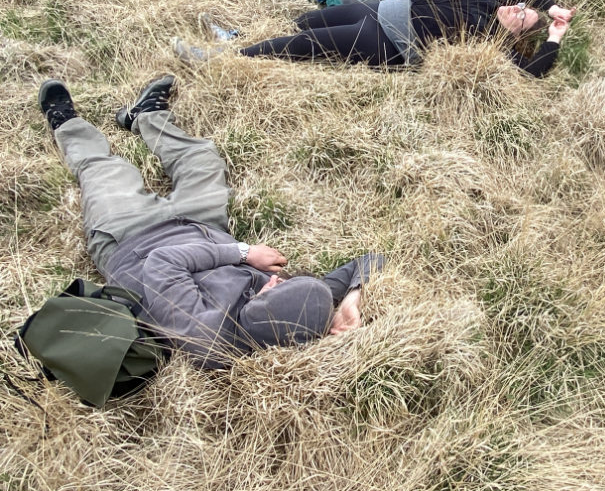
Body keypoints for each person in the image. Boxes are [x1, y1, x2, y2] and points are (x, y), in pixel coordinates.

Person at [36, 75, 383, 369]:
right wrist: (350, 299)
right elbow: (372, 261)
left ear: (258, 313)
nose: (277, 280)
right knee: (201, 158)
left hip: (133, 240)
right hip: (203, 227)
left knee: (105, 171)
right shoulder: (291, 312)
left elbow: (165, 261)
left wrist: (245, 253)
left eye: (275, 289)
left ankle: (67, 124)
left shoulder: (205, 333)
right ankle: (146, 117)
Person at [173, 0, 577, 79]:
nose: (516, 9)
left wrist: (554, 36)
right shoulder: (493, 2)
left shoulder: (492, 44)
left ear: (515, 34)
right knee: (307, 21)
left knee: (303, 46)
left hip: (389, 41)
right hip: (387, 6)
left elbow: (533, 71)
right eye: (520, 7)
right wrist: (551, 7)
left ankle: (225, 57)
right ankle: (236, 35)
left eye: (521, 16)